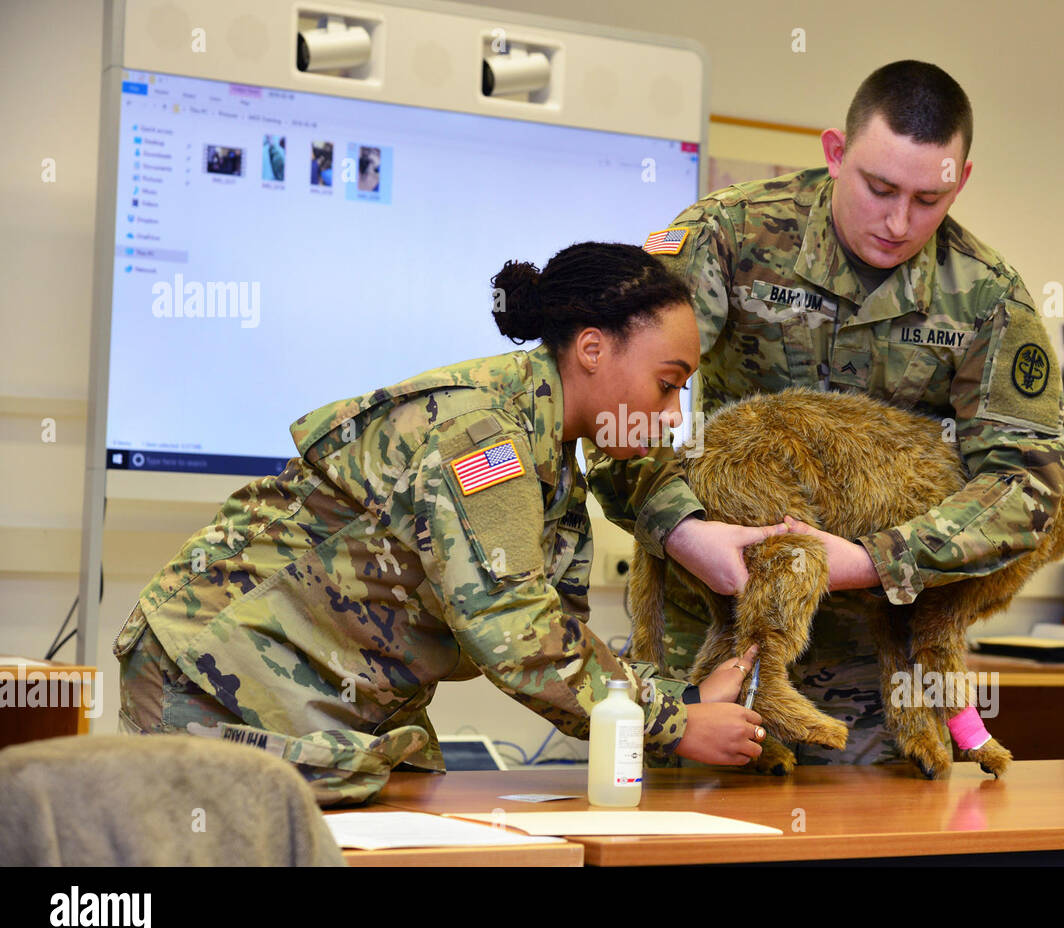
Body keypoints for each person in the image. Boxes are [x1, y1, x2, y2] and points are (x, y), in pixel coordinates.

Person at [114, 242, 782, 799]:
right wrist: (675, 721)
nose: (671, 415)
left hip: (323, 693)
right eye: (667, 383)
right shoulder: (485, 435)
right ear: (591, 348)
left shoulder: (548, 448)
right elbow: (518, 637)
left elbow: (556, 631)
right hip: (215, 678)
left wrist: (681, 700)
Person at [588, 60, 1064, 768]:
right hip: (717, 648)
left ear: (961, 181)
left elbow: (1026, 483)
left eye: (929, 198)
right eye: (879, 188)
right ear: (835, 152)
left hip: (871, 678)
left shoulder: (986, 297)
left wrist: (877, 560)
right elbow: (606, 405)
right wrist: (681, 529)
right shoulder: (730, 236)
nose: (900, 222)